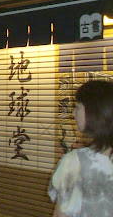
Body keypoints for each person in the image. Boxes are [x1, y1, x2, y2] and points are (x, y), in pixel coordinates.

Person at [48, 80, 113, 216]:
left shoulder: (75, 161)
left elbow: (61, 214)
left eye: (77, 107)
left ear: (94, 112)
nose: (73, 113)